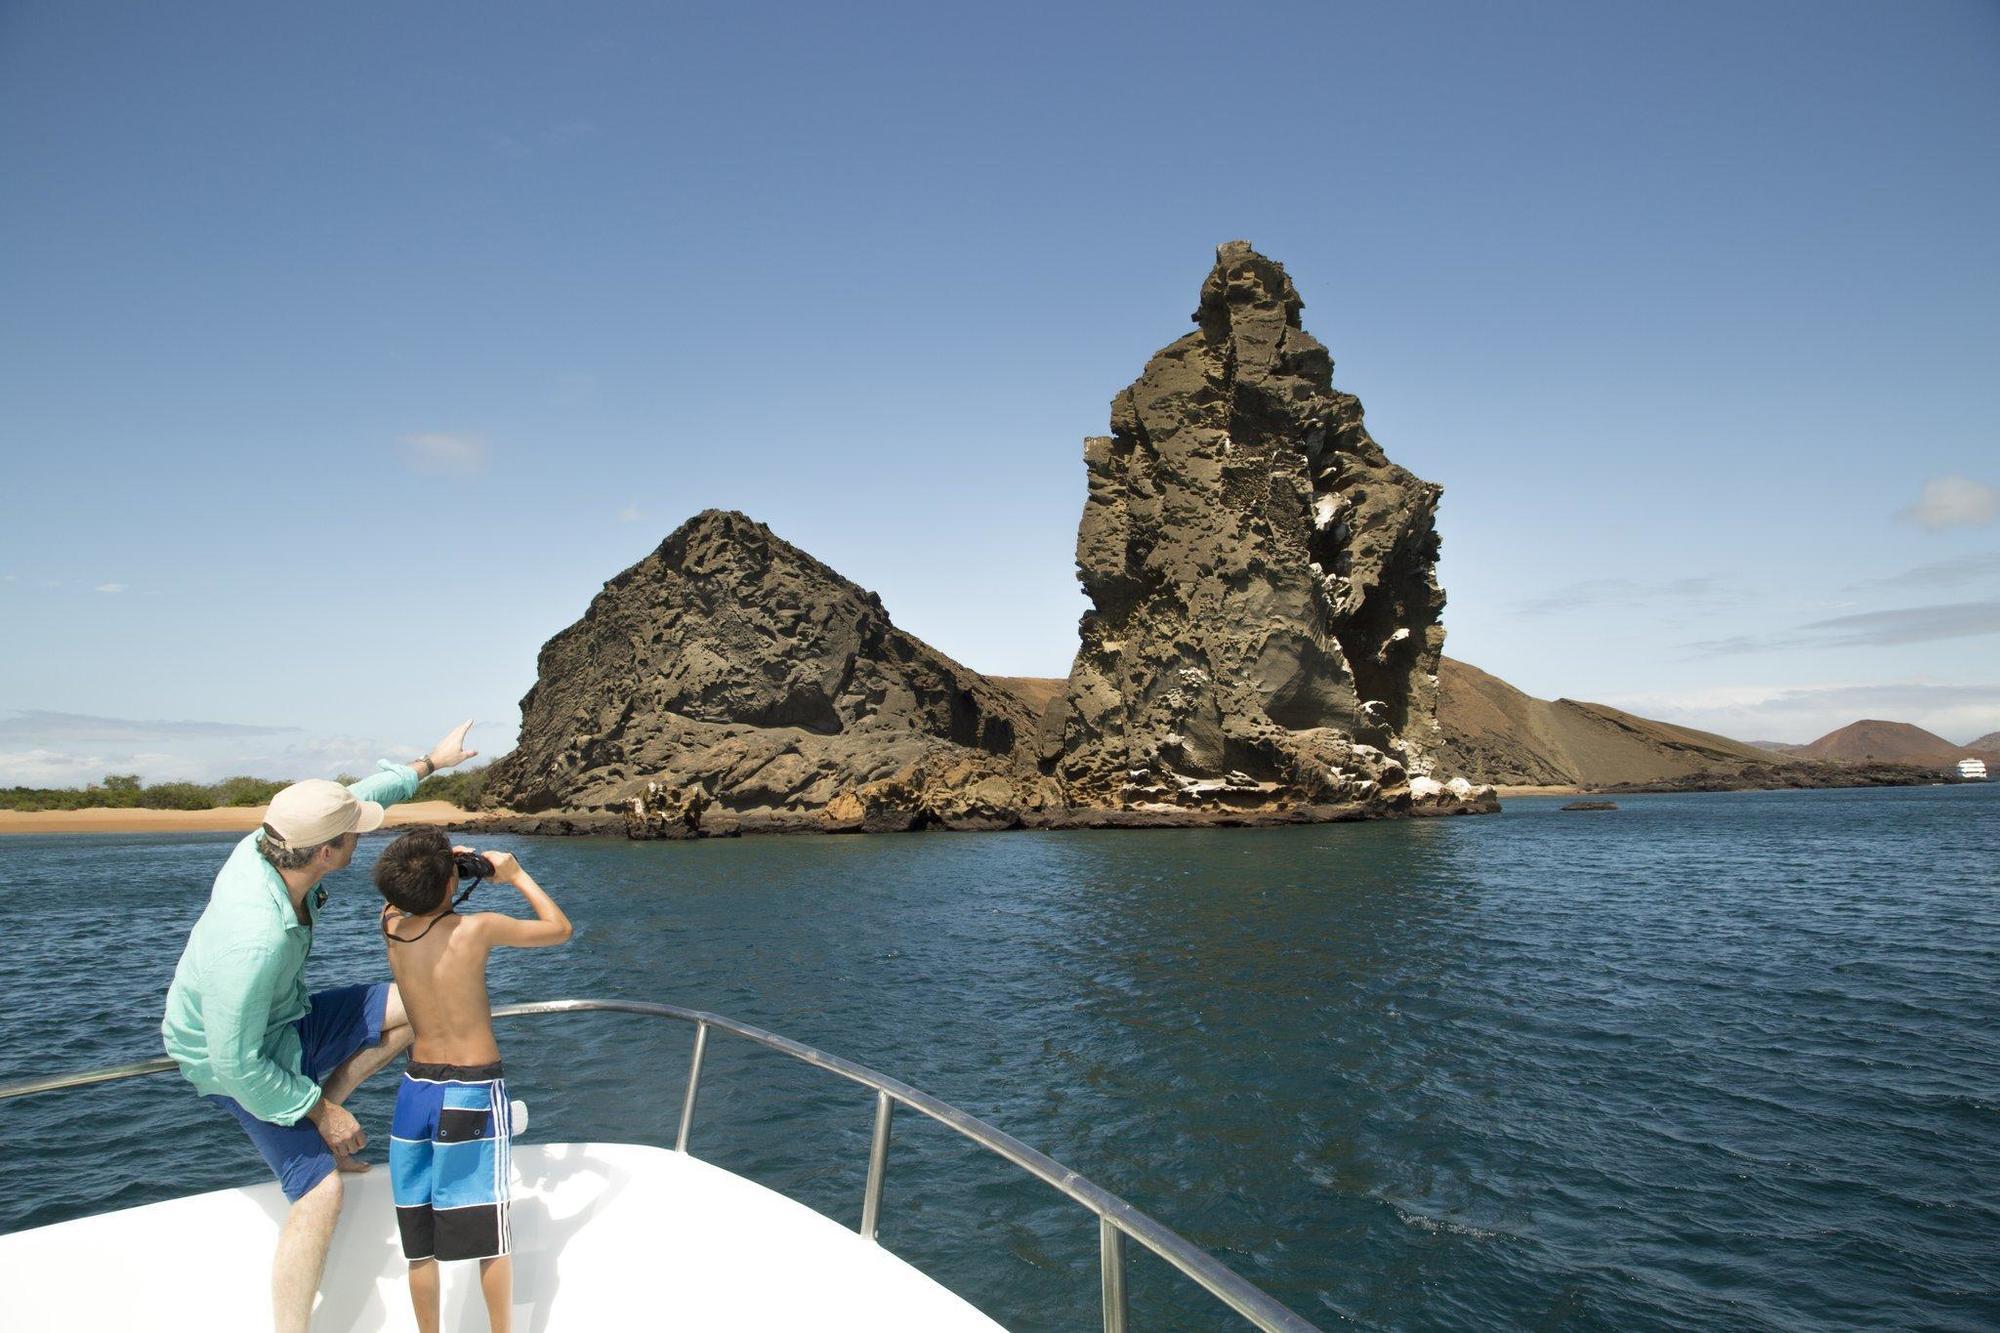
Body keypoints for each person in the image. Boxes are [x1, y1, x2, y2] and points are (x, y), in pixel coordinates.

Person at [160, 720, 478, 1333]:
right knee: (321, 1193)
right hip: (231, 1058)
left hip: (284, 1021)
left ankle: (325, 1110)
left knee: (425, 999)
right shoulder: (254, 941)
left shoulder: (272, 839)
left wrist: (428, 763)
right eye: (352, 833)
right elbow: (235, 1061)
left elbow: (356, 797)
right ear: (330, 853)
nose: (362, 834)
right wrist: (317, 1111)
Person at [373, 829, 572, 1333]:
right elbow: (559, 928)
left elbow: (400, 896)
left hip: (415, 1091)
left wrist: (443, 872)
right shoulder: (475, 929)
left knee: (419, 1248)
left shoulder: (392, 926)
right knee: (491, 1240)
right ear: (447, 882)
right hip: (472, 1091)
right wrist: (512, 874)